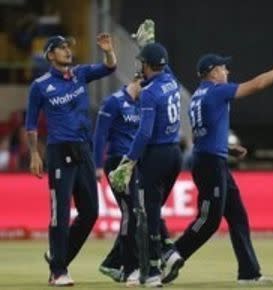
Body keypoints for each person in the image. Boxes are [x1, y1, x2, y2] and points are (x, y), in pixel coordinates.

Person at [161, 43, 273, 285]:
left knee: (238, 216)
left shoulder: (198, 95)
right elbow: (257, 84)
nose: (227, 72)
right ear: (212, 72)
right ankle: (173, 253)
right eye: (223, 68)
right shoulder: (216, 91)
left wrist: (227, 147)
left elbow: (203, 131)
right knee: (210, 220)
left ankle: (249, 272)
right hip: (210, 163)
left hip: (210, 158)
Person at [25, 33, 117, 286]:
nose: (67, 51)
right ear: (50, 55)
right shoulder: (40, 85)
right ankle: (58, 271)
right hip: (59, 151)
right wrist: (34, 153)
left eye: (68, 47)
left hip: (83, 150)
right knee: (60, 215)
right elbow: (31, 125)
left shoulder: (80, 73)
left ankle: (57, 256)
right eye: (62, 48)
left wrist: (108, 50)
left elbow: (110, 67)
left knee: (90, 212)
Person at [109, 42, 182, 287]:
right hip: (175, 155)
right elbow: (163, 64)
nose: (139, 66)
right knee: (153, 210)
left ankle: (151, 271)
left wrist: (128, 161)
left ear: (147, 65)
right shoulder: (171, 80)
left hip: (155, 156)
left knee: (145, 215)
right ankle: (168, 251)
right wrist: (149, 42)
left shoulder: (149, 93)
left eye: (142, 62)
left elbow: (144, 133)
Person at [93, 75, 142, 282]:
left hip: (134, 163)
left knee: (135, 213)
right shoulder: (114, 101)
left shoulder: (141, 105)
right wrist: (97, 165)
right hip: (117, 164)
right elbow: (100, 134)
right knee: (130, 212)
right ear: (138, 80)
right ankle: (130, 268)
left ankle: (113, 263)